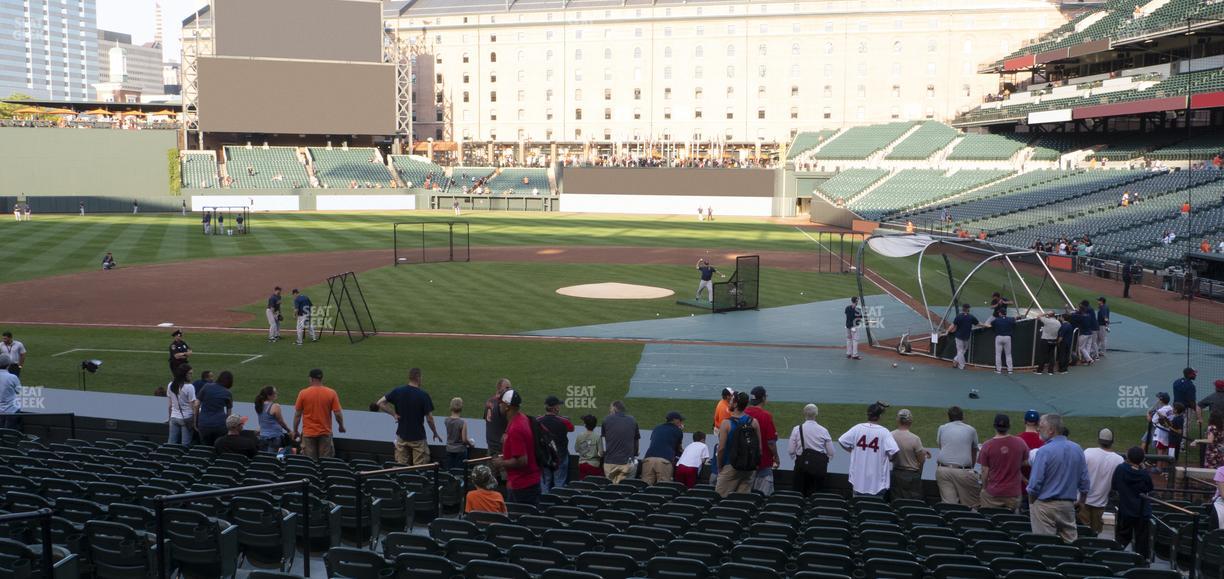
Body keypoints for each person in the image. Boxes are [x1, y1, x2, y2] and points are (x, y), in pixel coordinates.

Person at [1027, 413, 1090, 542]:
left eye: (1041, 426)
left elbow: (1034, 485)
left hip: (1044, 506)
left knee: (1045, 547)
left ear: (1051, 430)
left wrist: (1032, 504)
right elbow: (1085, 481)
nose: (1038, 429)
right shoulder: (1077, 449)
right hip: (1067, 506)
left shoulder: (1044, 451)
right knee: (1069, 548)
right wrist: (1082, 501)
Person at [377, 368, 443, 465]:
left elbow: (380, 403)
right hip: (418, 439)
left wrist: (394, 414)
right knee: (420, 470)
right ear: (418, 378)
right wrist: (435, 432)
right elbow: (430, 419)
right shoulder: (423, 395)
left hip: (402, 438)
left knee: (401, 469)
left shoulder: (398, 391)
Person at [838, 402, 899, 497]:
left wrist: (853, 451)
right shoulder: (884, 432)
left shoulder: (857, 428)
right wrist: (889, 458)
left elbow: (842, 441)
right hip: (877, 483)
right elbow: (894, 451)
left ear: (868, 415)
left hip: (858, 481)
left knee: (859, 507)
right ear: (879, 416)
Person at [493, 389, 541, 505]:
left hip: (521, 487)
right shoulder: (521, 418)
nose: (499, 405)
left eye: (501, 403)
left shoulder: (516, 429)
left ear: (507, 407)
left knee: (518, 521)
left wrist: (501, 463)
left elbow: (522, 461)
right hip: (528, 483)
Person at [715, 391, 763, 497]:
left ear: (736, 404)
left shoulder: (726, 423)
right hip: (748, 467)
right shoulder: (754, 422)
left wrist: (719, 466)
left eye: (731, 401)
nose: (729, 403)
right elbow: (759, 448)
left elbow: (721, 449)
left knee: (720, 499)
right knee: (742, 502)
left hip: (730, 466)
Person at [978, 414, 1029, 511]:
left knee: (989, 517)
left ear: (994, 426)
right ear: (1009, 426)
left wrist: (984, 488)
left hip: (993, 493)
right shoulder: (1020, 442)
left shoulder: (987, 445)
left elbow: (985, 470)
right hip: (1013, 493)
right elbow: (1026, 461)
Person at [293, 368, 346, 458]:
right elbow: (337, 414)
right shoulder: (331, 393)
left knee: (309, 463)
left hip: (308, 434)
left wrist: (295, 430)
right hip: (325, 433)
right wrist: (341, 426)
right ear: (321, 378)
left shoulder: (303, 393)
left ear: (311, 379)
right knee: (325, 462)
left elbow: (297, 415)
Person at [1080, 428, 1123, 534]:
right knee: (1095, 535)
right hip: (1100, 503)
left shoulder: (1088, 452)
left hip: (1082, 501)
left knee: (1082, 533)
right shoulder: (1119, 460)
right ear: (1112, 441)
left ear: (1099, 440)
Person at [936, 406, 981, 507]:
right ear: (962, 417)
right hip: (963, 472)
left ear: (949, 417)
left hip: (943, 470)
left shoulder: (942, 428)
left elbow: (941, 447)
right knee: (972, 506)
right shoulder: (971, 430)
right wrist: (971, 469)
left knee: (950, 507)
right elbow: (974, 451)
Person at [1113, 447, 1153, 558]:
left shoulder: (1121, 469)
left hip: (1126, 510)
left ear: (1128, 457)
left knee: (1121, 539)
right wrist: (1143, 469)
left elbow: (1114, 485)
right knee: (1142, 543)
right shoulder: (1144, 474)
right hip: (1142, 512)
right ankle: (1142, 564)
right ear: (1142, 460)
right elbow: (1149, 487)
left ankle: (1112, 559)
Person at [789, 404, 835, 497]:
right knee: (816, 495)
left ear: (804, 414)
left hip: (801, 466)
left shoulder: (797, 429)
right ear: (816, 414)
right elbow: (831, 452)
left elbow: (791, 450)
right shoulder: (823, 430)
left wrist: (797, 459)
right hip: (818, 468)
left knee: (799, 495)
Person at [743, 386, 779, 494]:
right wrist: (776, 457)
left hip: (744, 462)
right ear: (763, 398)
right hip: (763, 463)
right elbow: (771, 442)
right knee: (763, 497)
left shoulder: (742, 414)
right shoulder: (766, 416)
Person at [889, 409, 928, 500]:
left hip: (896, 474)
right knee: (912, 504)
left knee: (896, 503)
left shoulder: (890, 435)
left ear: (898, 420)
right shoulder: (915, 439)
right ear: (910, 422)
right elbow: (921, 460)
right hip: (912, 477)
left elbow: (889, 456)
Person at [538, 396, 575, 492]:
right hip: (560, 457)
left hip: (544, 457)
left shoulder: (538, 420)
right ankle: (558, 505)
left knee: (545, 484)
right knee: (559, 483)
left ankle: (544, 505)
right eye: (558, 405)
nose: (559, 407)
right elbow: (571, 428)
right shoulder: (564, 421)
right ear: (555, 408)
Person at [601, 400, 640, 484]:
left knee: (610, 490)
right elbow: (636, 441)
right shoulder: (632, 420)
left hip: (610, 462)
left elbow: (604, 441)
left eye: (610, 408)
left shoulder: (606, 419)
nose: (609, 410)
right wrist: (635, 454)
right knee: (626, 488)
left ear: (615, 408)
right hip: (628, 463)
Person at [642, 411, 685, 485]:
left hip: (648, 459)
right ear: (675, 420)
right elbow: (679, 449)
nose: (681, 422)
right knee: (662, 488)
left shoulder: (657, 428)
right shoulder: (678, 430)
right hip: (664, 461)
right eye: (680, 420)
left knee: (645, 487)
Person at [195, 370, 234, 447]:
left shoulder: (206, 386)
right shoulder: (228, 393)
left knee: (204, 448)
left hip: (204, 424)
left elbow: (196, 405)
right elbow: (229, 414)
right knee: (218, 448)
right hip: (220, 425)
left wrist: (195, 422)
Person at [485, 378, 512, 478]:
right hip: (501, 449)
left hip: (491, 446)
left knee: (490, 480)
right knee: (507, 479)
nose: (510, 390)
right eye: (508, 387)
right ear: (499, 388)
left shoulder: (489, 402)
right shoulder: (504, 405)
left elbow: (487, 420)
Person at [254, 386, 291, 454]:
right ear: (269, 396)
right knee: (274, 458)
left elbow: (264, 420)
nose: (277, 393)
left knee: (264, 457)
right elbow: (281, 422)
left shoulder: (259, 405)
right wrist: (289, 431)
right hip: (274, 438)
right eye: (275, 392)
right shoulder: (275, 406)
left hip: (262, 437)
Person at [166, 365, 197, 446]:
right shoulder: (189, 387)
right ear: (184, 374)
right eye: (190, 373)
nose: (191, 375)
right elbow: (193, 407)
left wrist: (170, 418)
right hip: (186, 418)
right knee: (185, 445)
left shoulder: (170, 385)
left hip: (174, 417)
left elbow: (170, 405)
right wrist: (195, 422)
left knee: (171, 444)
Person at [948, 304, 979, 370]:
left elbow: (952, 325)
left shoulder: (959, 316)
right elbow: (978, 324)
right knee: (961, 351)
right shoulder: (971, 317)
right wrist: (985, 325)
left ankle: (955, 360)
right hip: (965, 337)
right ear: (967, 309)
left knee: (961, 351)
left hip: (959, 336)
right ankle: (962, 366)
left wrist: (947, 331)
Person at [445, 398, 472, 471]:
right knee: (459, 473)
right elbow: (464, 440)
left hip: (449, 449)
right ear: (461, 407)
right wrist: (471, 444)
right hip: (460, 451)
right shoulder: (462, 422)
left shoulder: (446, 420)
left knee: (450, 472)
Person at [574, 414, 603, 480]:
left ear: (585, 425)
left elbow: (576, 449)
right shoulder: (597, 437)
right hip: (594, 465)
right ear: (595, 425)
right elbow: (601, 453)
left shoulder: (579, 436)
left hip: (582, 464)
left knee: (583, 484)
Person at [988, 308, 1016, 374]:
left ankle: (998, 370)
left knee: (998, 354)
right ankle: (1010, 370)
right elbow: (1014, 324)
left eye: (999, 312)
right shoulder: (1010, 319)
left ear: (1000, 313)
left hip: (999, 337)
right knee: (1008, 354)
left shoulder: (996, 320)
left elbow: (991, 325)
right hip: (1007, 337)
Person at [1036, 311, 1060, 375]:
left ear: (1049, 315)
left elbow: (1038, 316)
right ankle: (1050, 371)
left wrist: (1046, 313)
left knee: (1042, 355)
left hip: (1045, 340)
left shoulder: (1047, 320)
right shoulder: (1058, 322)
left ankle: (1039, 371)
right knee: (1051, 356)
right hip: (1053, 340)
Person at [0, 354, 18, 430]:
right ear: (9, 365)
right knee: (9, 433)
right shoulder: (12, 377)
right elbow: (18, 391)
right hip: (11, 411)